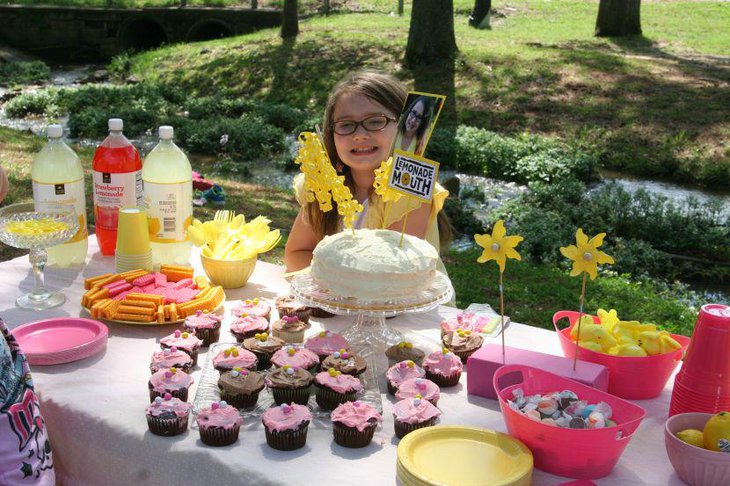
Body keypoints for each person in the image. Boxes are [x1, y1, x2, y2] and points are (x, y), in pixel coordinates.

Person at [284, 70, 452, 274]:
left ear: (401, 125)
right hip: (334, 300)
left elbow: (394, 273)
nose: (360, 135)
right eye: (346, 125)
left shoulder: (411, 188)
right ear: (331, 133)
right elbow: (297, 253)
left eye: (375, 121)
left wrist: (332, 280)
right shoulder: (323, 185)